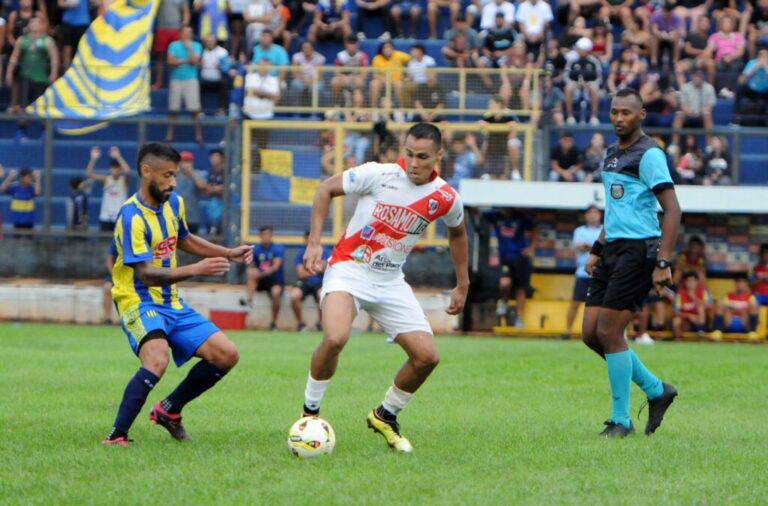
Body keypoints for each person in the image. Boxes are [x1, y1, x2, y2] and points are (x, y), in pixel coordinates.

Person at [298, 123, 468, 453]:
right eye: (409, 154)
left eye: (422, 157)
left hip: (390, 280)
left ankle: (385, 415)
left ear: (439, 156)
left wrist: (463, 284)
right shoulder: (379, 174)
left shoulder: (446, 197)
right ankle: (309, 414)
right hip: (349, 269)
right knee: (335, 338)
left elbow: (458, 234)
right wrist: (314, 243)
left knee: (427, 357)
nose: (414, 163)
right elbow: (324, 190)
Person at [101, 142, 253, 447]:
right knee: (157, 359)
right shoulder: (131, 216)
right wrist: (197, 269)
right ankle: (117, 436)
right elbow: (146, 273)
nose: (173, 182)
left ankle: (169, 410)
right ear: (146, 172)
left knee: (226, 355)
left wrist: (228, 252)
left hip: (171, 301)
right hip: (138, 300)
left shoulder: (174, 203)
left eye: (175, 175)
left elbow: (183, 238)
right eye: (167, 175)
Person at [582, 88, 681, 437]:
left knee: (609, 332)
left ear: (641, 115)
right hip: (612, 251)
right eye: (614, 112)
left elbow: (672, 209)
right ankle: (657, 390)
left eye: (626, 112)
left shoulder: (650, 154)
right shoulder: (610, 155)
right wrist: (597, 248)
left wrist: (663, 261)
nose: (619, 118)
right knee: (591, 335)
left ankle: (621, 420)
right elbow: (616, 210)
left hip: (640, 252)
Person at [485, 208, 535, 328]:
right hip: (505, 258)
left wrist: (532, 247)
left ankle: (519, 317)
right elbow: (476, 210)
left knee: (521, 289)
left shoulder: (521, 216)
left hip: (521, 258)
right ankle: (504, 302)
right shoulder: (495, 215)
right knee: (504, 283)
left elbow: (535, 229)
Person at [563, 205, 602, 340]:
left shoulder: (605, 230)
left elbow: (605, 248)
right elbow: (580, 247)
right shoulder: (579, 230)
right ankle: (567, 331)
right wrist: (596, 247)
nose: (592, 215)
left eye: (595, 212)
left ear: (600, 215)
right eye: (589, 213)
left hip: (600, 273)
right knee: (575, 303)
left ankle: (599, 333)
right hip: (582, 273)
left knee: (601, 305)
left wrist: (590, 246)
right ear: (585, 216)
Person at [241, 226, 285, 330]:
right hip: (260, 280)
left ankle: (273, 323)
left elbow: (275, 267)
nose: (266, 237)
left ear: (271, 235)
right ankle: (249, 300)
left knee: (276, 293)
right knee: (251, 272)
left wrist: (261, 274)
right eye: (263, 235)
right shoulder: (256, 249)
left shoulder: (278, 249)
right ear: (260, 236)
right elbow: (250, 264)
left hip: (275, 280)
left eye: (268, 235)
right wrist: (253, 268)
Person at [165, 25, 204, 144]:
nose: (187, 34)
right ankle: (169, 136)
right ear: (181, 33)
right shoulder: (173, 45)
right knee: (173, 110)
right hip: (176, 79)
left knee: (195, 109)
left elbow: (195, 61)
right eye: (185, 32)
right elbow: (170, 62)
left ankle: (198, 136)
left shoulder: (196, 46)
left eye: (189, 32)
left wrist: (189, 49)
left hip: (191, 79)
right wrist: (187, 61)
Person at [86, 146, 131, 232]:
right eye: (112, 168)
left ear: (120, 169)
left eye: (116, 168)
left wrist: (118, 156)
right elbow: (89, 174)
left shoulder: (124, 180)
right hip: (106, 217)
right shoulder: (106, 179)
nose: (114, 171)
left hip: (120, 216)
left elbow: (128, 171)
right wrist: (93, 159)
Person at [291, 231, 329, 331]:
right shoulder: (300, 253)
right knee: (294, 295)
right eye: (307, 240)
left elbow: (326, 271)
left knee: (322, 295)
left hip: (319, 282)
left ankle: (320, 324)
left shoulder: (324, 251)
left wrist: (310, 269)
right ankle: (301, 324)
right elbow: (301, 274)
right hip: (304, 282)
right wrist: (317, 269)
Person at [176, 151, 208, 234]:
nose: (186, 164)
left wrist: (192, 172)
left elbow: (203, 186)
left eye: (188, 161)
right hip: (176, 218)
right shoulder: (174, 176)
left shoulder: (197, 174)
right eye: (184, 161)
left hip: (192, 217)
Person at [671, 271, 710, 339]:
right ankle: (678, 340)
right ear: (685, 283)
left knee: (700, 307)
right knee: (676, 321)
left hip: (702, 320)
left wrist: (694, 297)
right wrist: (689, 316)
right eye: (688, 281)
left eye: (693, 281)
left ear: (697, 282)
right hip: (686, 320)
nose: (690, 283)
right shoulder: (680, 293)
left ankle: (701, 333)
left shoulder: (703, 290)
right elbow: (675, 311)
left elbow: (709, 305)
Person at [103, 239, 118, 324]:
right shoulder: (115, 240)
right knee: (107, 287)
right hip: (115, 274)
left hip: (130, 276)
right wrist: (114, 275)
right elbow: (109, 260)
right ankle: (107, 318)